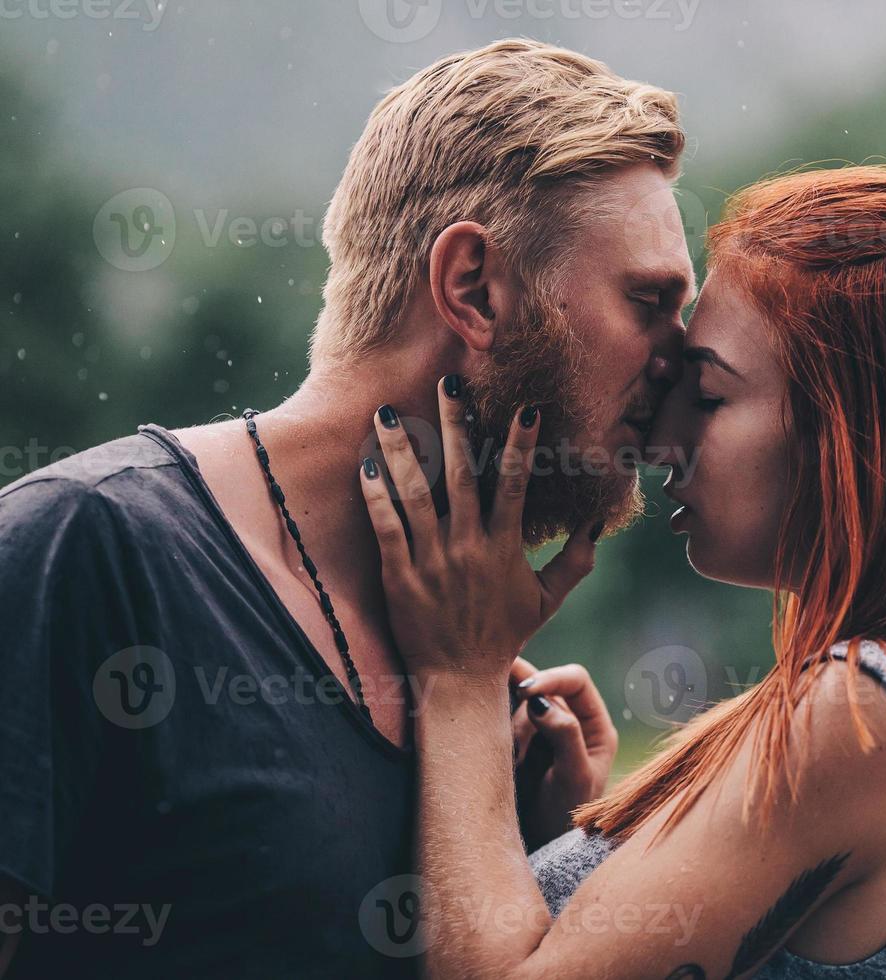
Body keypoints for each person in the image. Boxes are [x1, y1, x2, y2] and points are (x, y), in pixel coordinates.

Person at [0, 39, 691, 977]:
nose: (681, 363)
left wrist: (536, 850)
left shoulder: (482, 690)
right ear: (474, 290)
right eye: (651, 301)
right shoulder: (82, 550)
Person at [367, 166, 886, 978]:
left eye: (706, 395)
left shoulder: (866, 712)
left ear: (859, 436)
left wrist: (458, 677)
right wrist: (566, 836)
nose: (660, 438)